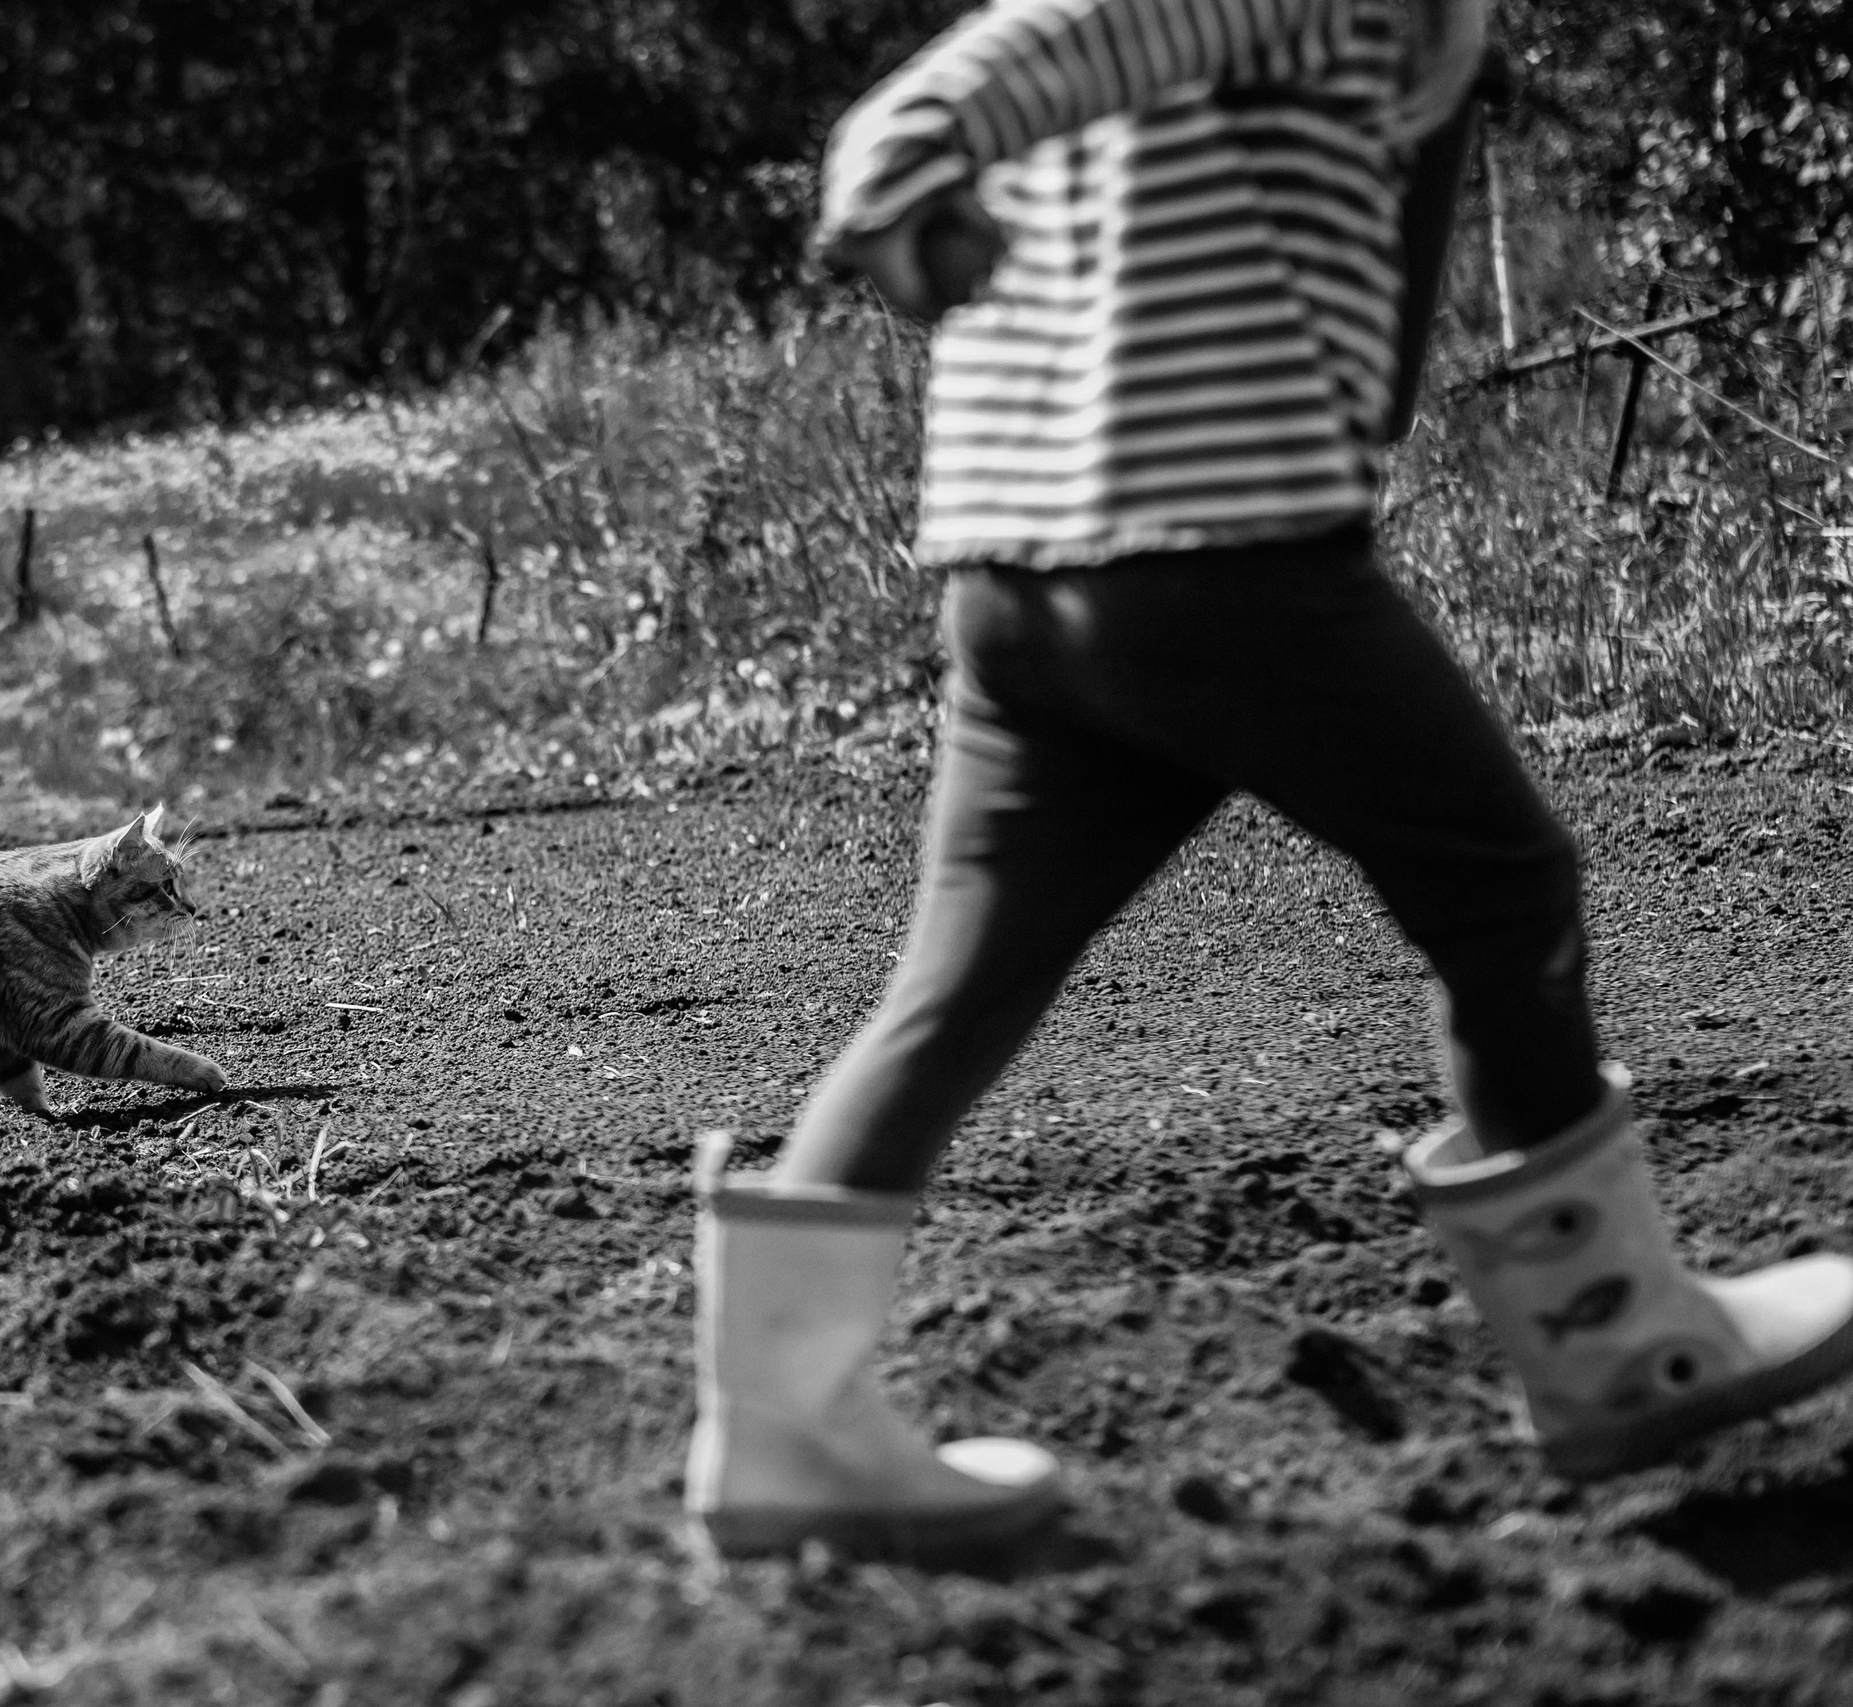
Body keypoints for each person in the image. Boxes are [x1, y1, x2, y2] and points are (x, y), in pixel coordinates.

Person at [685, 0, 1853, 1565]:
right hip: (1217, 564)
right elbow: (978, 83)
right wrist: (898, 177)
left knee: (954, 990)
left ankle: (782, 1434)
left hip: (1022, 581)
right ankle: (1623, 1350)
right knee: (1504, 897)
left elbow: (1360, 337)